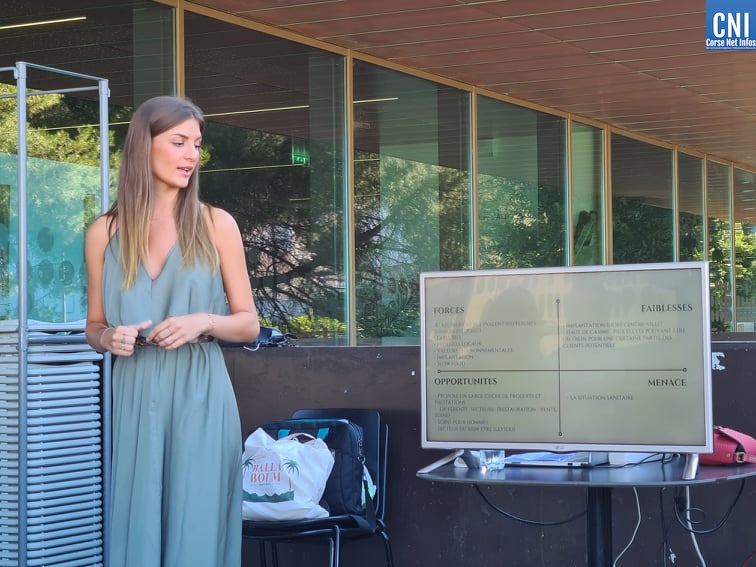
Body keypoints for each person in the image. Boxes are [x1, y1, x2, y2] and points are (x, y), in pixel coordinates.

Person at [85, 96, 260, 566]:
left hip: (201, 393)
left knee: (196, 523)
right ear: (144, 145)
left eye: (196, 145)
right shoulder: (105, 232)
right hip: (136, 393)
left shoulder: (216, 224)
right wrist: (109, 338)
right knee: (138, 525)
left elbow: (249, 323)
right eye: (179, 142)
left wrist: (205, 320)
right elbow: (94, 326)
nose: (191, 155)